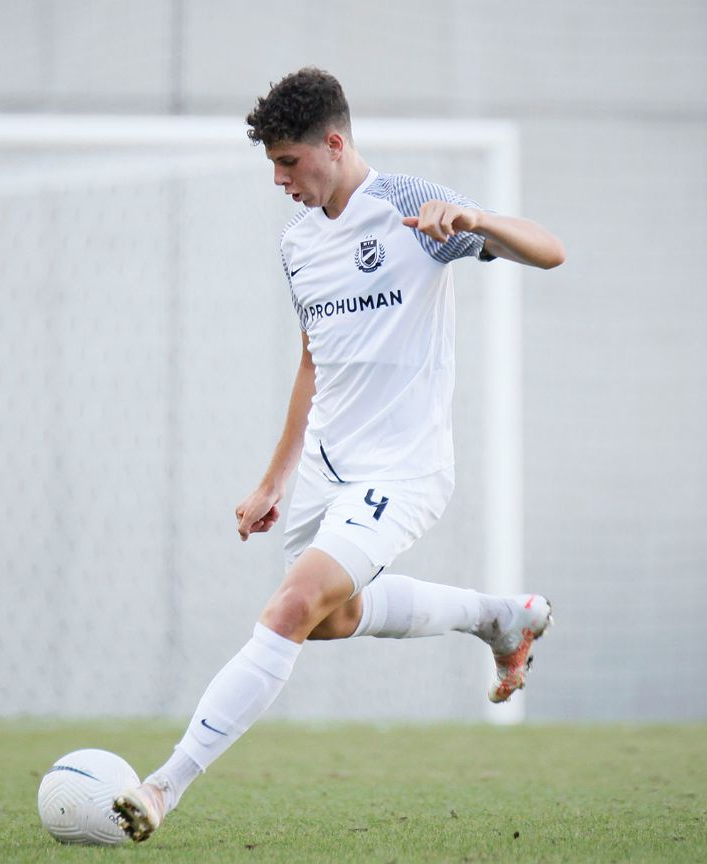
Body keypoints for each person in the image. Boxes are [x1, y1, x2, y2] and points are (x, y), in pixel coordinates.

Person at [113, 67, 566, 842]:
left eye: (288, 162)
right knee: (330, 618)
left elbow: (550, 252)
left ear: (333, 143)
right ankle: (500, 619)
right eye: (273, 165)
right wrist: (274, 479)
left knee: (291, 608)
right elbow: (312, 362)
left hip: (403, 471)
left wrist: (477, 220)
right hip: (328, 470)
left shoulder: (410, 208)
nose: (281, 180)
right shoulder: (297, 244)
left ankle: (163, 786)